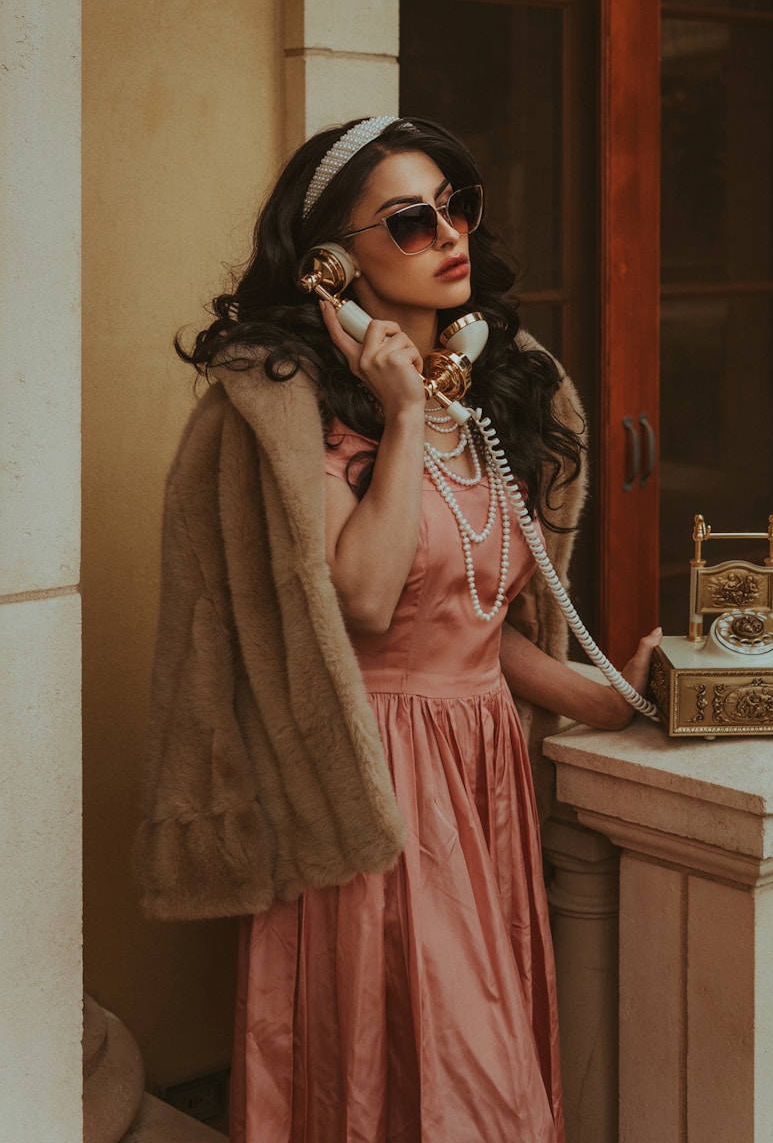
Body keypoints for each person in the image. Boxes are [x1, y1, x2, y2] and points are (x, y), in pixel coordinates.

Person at [135, 115, 660, 1143]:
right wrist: (405, 412)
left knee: (477, 1064)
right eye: (412, 221)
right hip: (370, 779)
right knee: (433, 1083)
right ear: (330, 265)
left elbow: (468, 621)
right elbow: (371, 604)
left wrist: (598, 699)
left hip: (483, 772)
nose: (450, 234)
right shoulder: (295, 419)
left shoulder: (493, 393)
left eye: (456, 206)